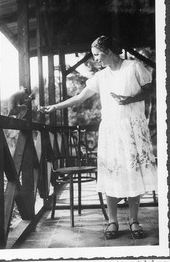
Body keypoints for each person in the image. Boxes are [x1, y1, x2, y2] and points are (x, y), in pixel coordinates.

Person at [39, 35, 157, 240]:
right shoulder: (101, 76)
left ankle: (134, 220)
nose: (95, 60)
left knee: (133, 173)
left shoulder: (134, 67)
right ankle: (113, 221)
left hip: (132, 128)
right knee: (111, 173)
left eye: (97, 55)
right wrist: (55, 106)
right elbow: (79, 97)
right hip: (111, 130)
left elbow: (149, 90)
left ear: (108, 51)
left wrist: (130, 99)